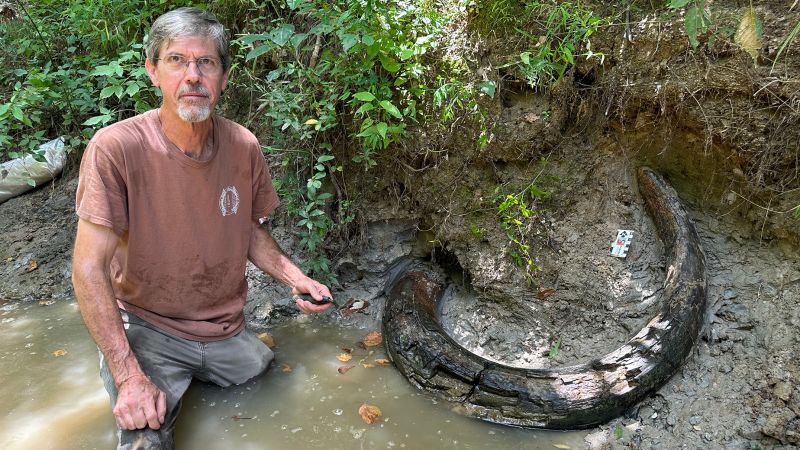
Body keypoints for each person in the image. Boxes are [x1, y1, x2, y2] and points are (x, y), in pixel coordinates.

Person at [71, 7, 333, 449]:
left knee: (269, 382)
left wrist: (297, 278)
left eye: (206, 62)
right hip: (148, 327)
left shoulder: (242, 145)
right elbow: (88, 270)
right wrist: (128, 374)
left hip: (224, 328)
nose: (192, 75)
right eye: (177, 60)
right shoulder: (115, 148)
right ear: (153, 71)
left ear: (224, 77)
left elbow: (249, 231)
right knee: (144, 436)